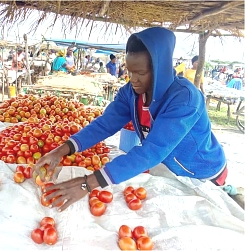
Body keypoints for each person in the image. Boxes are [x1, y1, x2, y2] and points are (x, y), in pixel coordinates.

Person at [33, 27, 228, 212]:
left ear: (161, 69)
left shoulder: (184, 99)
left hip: (202, 173)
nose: (133, 79)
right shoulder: (131, 93)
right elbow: (104, 125)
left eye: (141, 73)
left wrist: (88, 183)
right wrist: (61, 150)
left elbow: (152, 150)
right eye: (130, 71)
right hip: (168, 169)